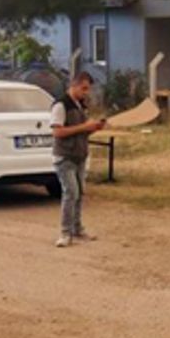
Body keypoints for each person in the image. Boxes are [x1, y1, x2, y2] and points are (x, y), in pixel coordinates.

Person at [51, 72, 105, 247]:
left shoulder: (81, 105)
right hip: (64, 157)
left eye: (88, 89)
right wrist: (84, 126)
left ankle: (77, 228)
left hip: (80, 155)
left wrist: (94, 128)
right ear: (73, 85)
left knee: (79, 193)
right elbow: (58, 132)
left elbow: (82, 131)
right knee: (70, 193)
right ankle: (65, 233)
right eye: (83, 88)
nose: (86, 92)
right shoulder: (61, 105)